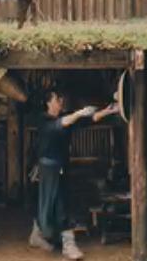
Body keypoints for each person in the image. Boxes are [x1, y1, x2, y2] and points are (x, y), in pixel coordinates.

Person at [27, 89, 119, 260]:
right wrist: (79, 112)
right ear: (49, 103)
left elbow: (89, 119)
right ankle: (58, 241)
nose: (61, 100)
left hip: (61, 168)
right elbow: (61, 124)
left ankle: (54, 240)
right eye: (57, 98)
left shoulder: (66, 118)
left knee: (59, 203)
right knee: (50, 204)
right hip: (47, 170)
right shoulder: (43, 120)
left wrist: (109, 110)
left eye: (61, 97)